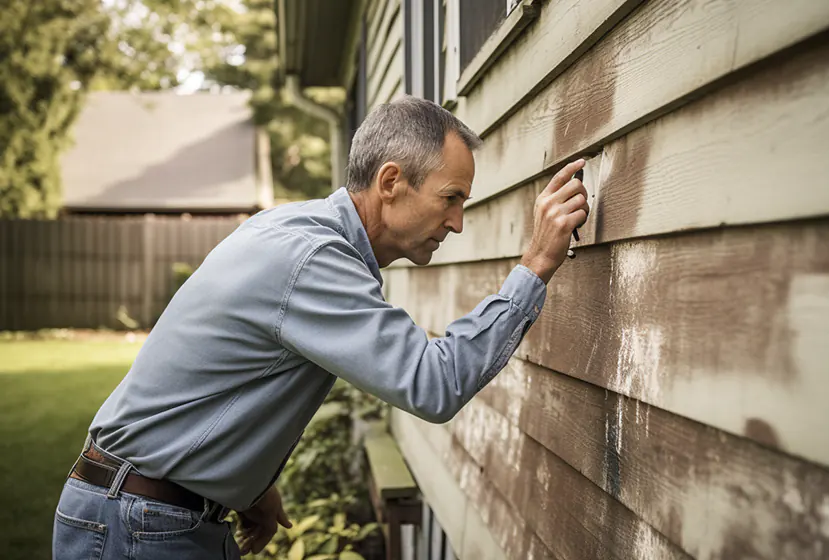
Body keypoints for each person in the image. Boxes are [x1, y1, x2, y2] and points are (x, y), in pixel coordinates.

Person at [52, 95, 590, 559]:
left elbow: (223, 377)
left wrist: (248, 486)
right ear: (391, 182)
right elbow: (434, 382)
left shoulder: (299, 232)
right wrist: (536, 265)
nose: (457, 222)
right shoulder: (313, 259)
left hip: (147, 510)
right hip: (140, 522)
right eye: (450, 198)